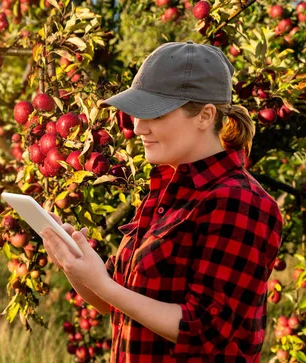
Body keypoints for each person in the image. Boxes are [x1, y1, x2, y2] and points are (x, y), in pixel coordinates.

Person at [39, 41, 283, 362]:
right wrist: (75, 266)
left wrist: (103, 283)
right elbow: (121, 307)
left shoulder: (240, 201)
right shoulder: (167, 192)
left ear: (204, 116)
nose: (138, 127)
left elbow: (206, 332)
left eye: (154, 112)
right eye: (137, 112)